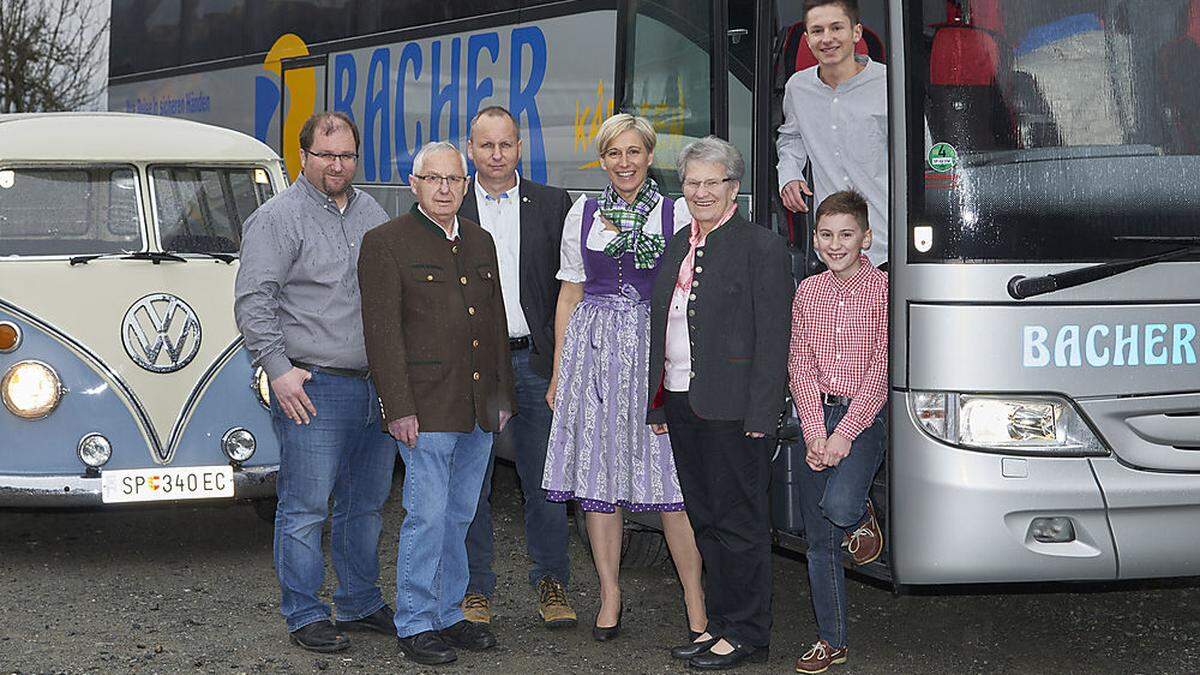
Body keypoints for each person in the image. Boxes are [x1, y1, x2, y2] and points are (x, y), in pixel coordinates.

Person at [234, 111, 396, 654]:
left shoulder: (371, 210)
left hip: (373, 387)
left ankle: (359, 600)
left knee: (365, 504)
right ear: (302, 156)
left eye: (347, 155)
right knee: (305, 507)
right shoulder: (277, 218)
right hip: (312, 387)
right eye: (327, 155)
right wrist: (278, 371)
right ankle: (304, 612)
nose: (337, 165)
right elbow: (253, 302)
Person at [540, 113, 706, 642]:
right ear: (603, 159)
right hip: (594, 353)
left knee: (673, 485)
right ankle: (610, 595)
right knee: (598, 479)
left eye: (634, 152)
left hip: (655, 350)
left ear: (649, 156)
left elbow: (690, 291)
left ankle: (696, 605)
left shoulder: (676, 211)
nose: (624, 162)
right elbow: (570, 291)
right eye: (614, 153)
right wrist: (559, 372)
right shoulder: (583, 212)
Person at [357, 141, 514, 666]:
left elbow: (493, 324)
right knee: (426, 514)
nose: (445, 187)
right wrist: (397, 407)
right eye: (434, 178)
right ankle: (416, 621)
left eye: (454, 179)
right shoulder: (386, 242)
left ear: (464, 185)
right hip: (424, 409)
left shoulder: (480, 240)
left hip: (476, 408)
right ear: (414, 183)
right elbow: (382, 336)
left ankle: (450, 614)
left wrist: (501, 397)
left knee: (461, 513)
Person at [647, 136, 793, 671]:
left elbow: (774, 336)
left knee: (740, 524)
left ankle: (749, 633)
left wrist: (763, 413)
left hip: (735, 412)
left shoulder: (761, 246)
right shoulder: (677, 244)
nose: (701, 191)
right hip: (684, 402)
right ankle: (722, 626)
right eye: (692, 182)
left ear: (733, 188)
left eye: (713, 182)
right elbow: (663, 328)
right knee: (705, 520)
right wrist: (658, 402)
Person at [458, 106, 577, 629]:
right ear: (471, 149)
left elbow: (570, 290)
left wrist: (561, 365)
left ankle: (551, 582)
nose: (498, 155)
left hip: (534, 360)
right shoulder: (447, 203)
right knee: (471, 481)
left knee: (545, 480)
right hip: (472, 364)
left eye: (506, 145)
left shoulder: (553, 205)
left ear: (520, 147)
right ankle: (473, 589)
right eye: (487, 146)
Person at [787, 191, 887, 674]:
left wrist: (844, 433)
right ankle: (833, 639)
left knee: (840, 506)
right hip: (816, 417)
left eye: (846, 234)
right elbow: (800, 365)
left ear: (865, 237)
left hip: (865, 418)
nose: (835, 244)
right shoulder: (808, 292)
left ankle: (862, 513)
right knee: (820, 540)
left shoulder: (884, 291)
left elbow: (881, 369)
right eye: (826, 235)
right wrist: (813, 431)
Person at [777, 0, 889, 266]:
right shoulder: (798, 87)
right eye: (817, 31)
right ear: (806, 39)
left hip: (886, 243)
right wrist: (789, 175)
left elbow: (920, 152)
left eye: (836, 28)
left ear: (856, 33)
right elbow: (792, 137)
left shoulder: (891, 83)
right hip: (832, 249)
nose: (827, 39)